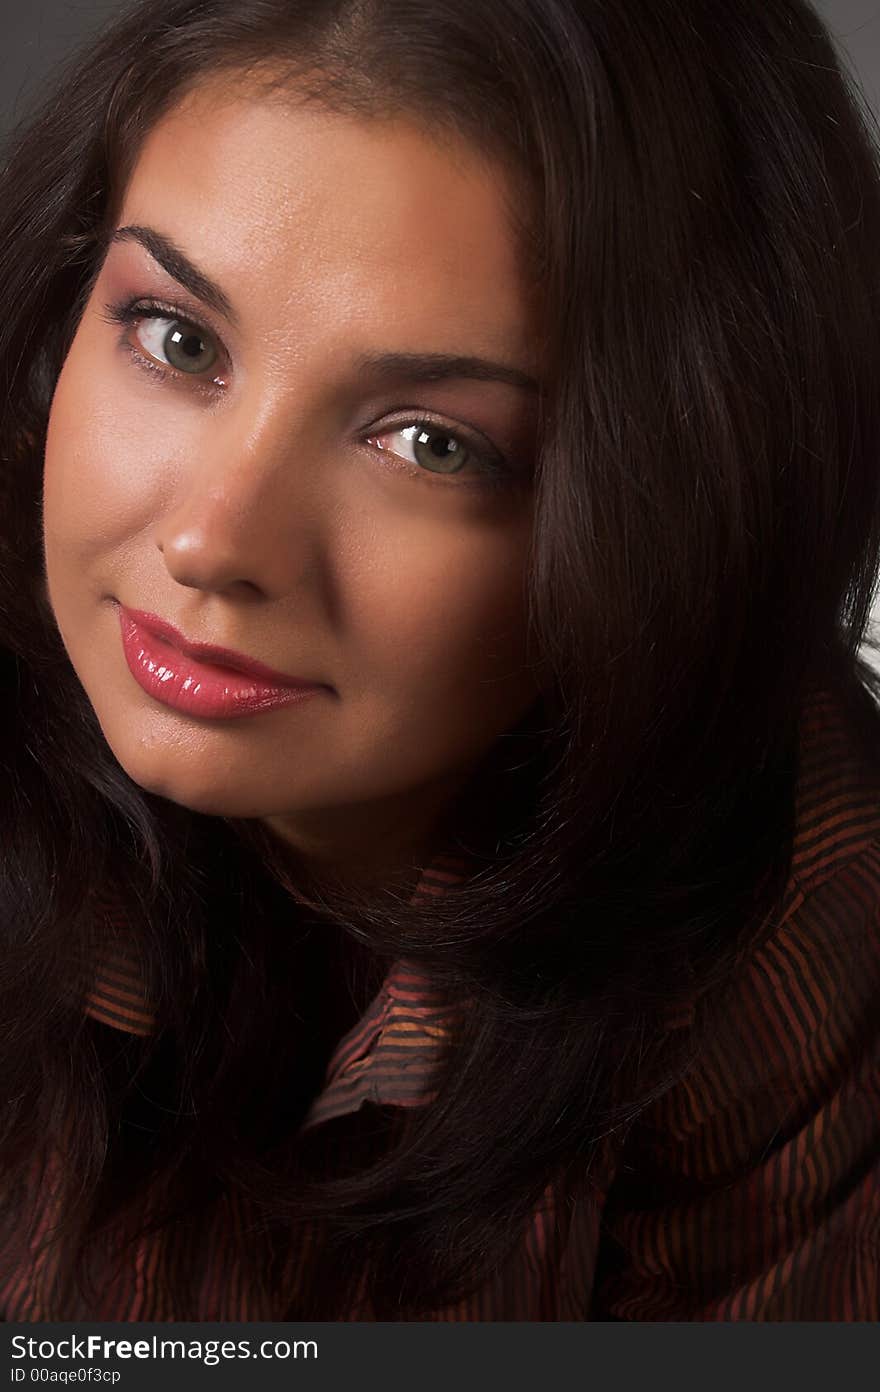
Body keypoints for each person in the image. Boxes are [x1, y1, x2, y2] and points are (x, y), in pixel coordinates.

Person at [0, 0, 878, 1322]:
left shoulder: (794, 903)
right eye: (178, 339)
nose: (209, 540)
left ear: (675, 513)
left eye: (431, 443)